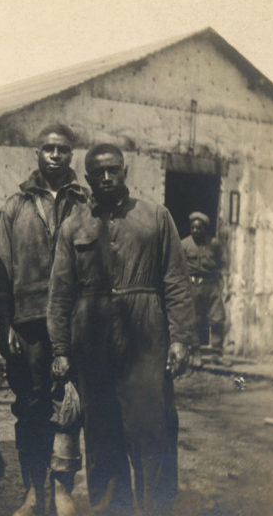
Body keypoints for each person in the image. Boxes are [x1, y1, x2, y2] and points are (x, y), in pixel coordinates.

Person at [47, 143, 195, 516]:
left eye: (114, 170)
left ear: (125, 171)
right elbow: (60, 292)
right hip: (93, 344)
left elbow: (176, 280)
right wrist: (61, 349)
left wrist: (180, 339)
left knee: (151, 432)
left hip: (146, 340)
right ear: (88, 178)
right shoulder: (74, 226)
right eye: (99, 172)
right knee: (102, 438)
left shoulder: (156, 218)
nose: (107, 177)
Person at [0, 124, 87, 516]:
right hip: (27, 324)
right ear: (37, 153)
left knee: (68, 404)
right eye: (47, 147)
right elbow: (1, 273)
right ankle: (33, 492)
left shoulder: (85, 204)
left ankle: (63, 490)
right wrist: (6, 325)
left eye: (62, 149)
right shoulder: (15, 206)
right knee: (29, 407)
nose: (54, 154)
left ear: (71, 154)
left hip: (74, 323)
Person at [182, 211, 226, 365]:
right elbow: (179, 267)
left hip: (211, 285)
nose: (195, 231)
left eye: (198, 228)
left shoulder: (214, 244)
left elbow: (223, 264)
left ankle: (217, 354)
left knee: (217, 318)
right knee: (194, 320)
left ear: (204, 229)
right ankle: (195, 353)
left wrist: (222, 285)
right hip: (193, 286)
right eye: (193, 228)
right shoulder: (184, 244)